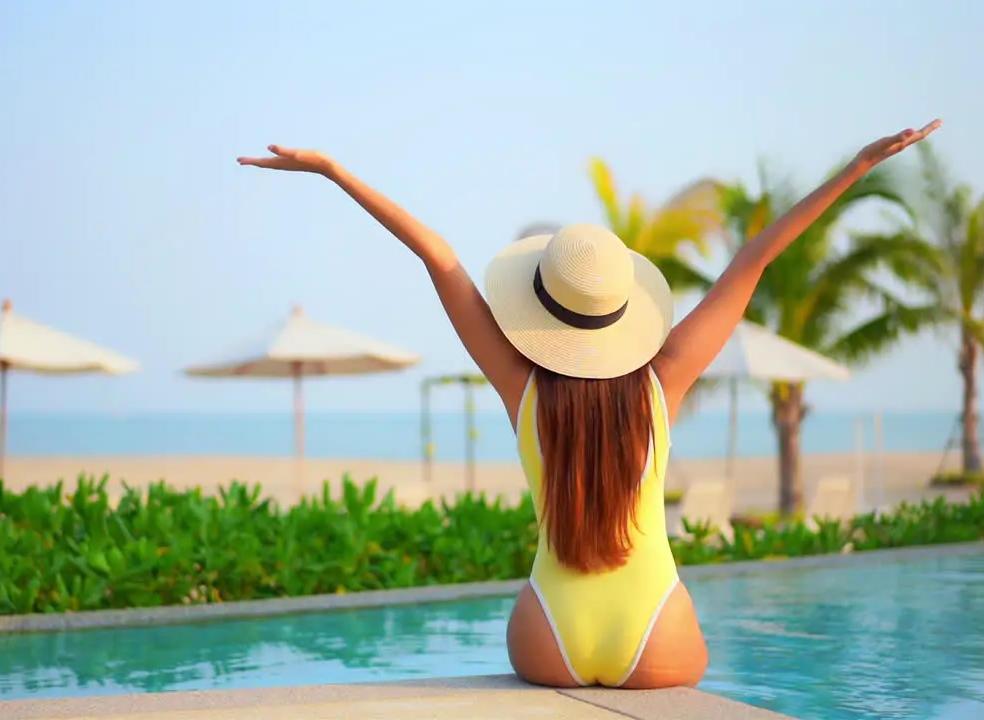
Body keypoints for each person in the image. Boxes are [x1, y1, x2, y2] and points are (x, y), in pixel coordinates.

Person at [236, 118, 941, 689]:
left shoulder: (524, 390)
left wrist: (335, 173)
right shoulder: (664, 384)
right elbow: (751, 261)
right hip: (655, 626)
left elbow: (439, 258)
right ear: (623, 312)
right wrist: (854, 170)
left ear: (539, 310)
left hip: (549, 635)